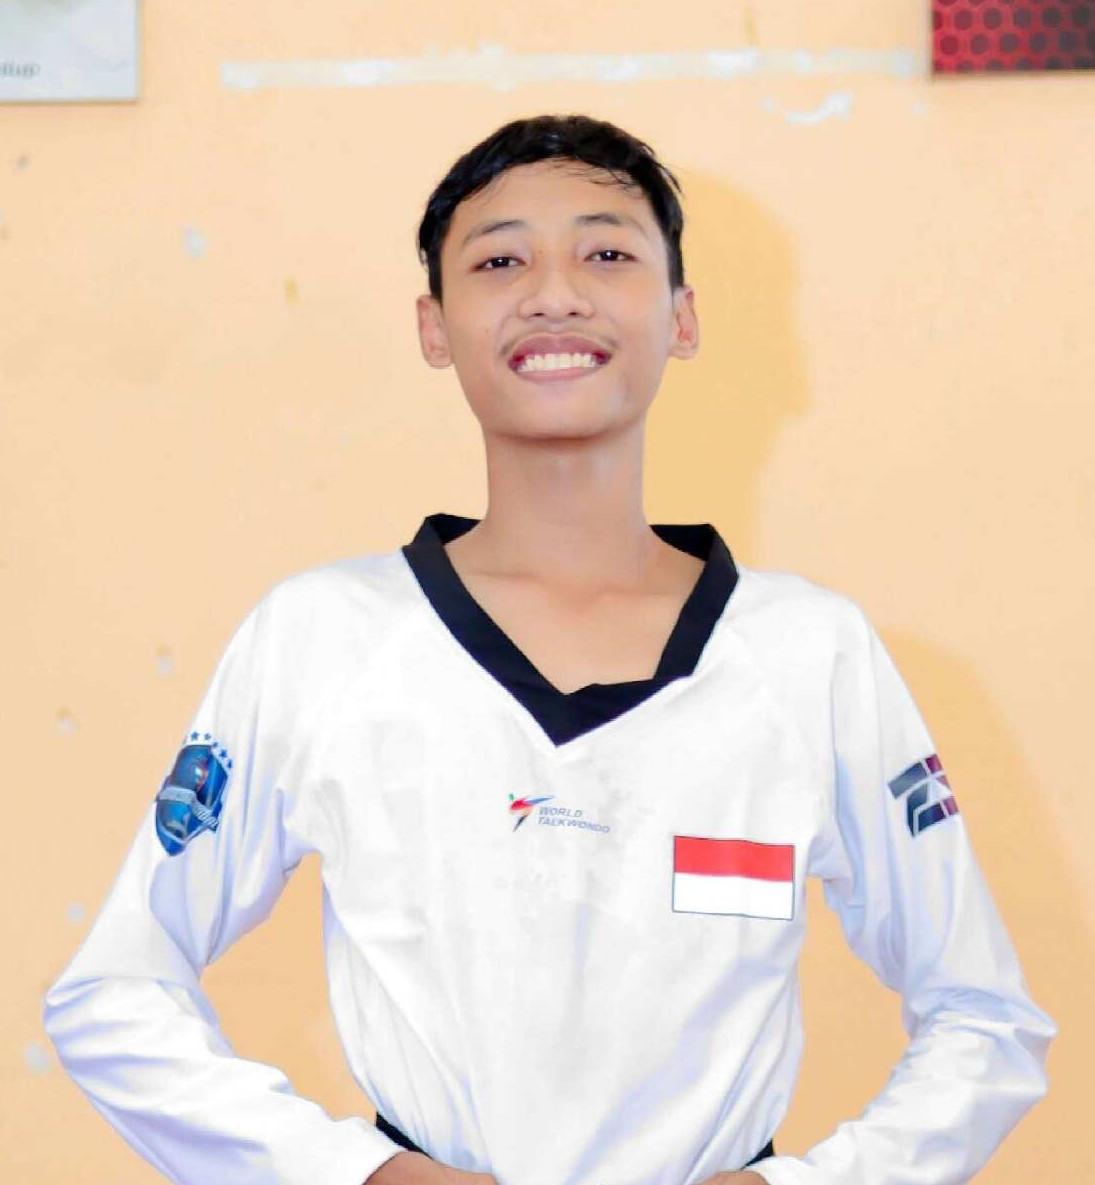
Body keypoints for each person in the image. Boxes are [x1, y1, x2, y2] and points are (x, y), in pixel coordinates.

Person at [42, 113, 1056, 1185]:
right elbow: (113, 992)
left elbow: (985, 1017)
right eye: (501, 261)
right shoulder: (323, 638)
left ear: (682, 315)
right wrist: (356, 1175)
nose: (555, 294)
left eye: (607, 254)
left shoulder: (811, 655)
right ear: (434, 325)